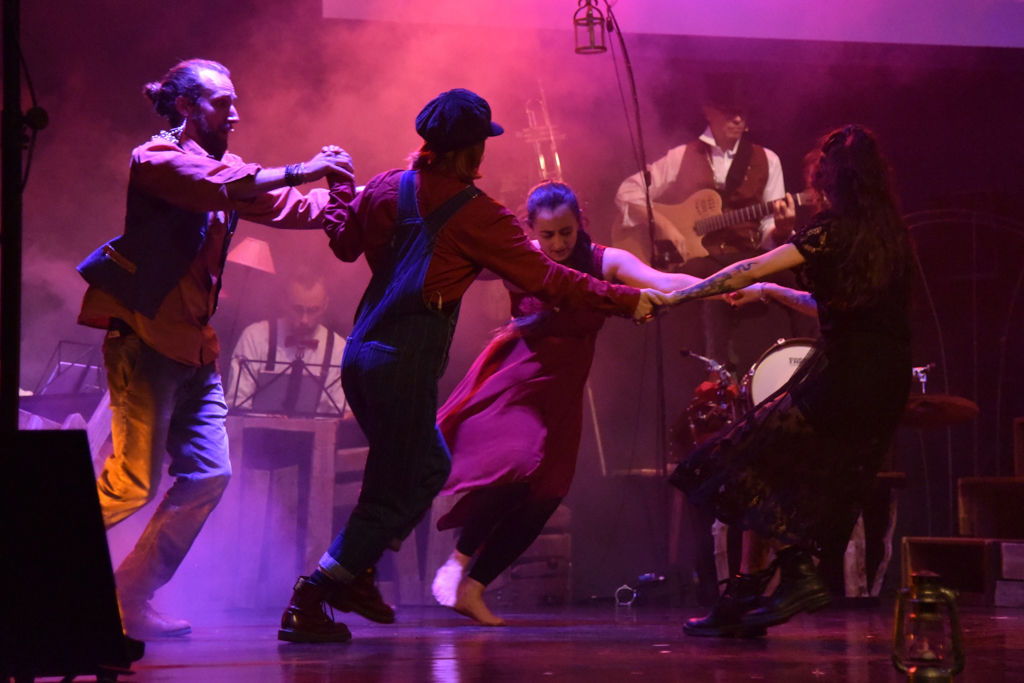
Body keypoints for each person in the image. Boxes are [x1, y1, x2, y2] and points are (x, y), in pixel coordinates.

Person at [277, 89, 669, 644]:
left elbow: (343, 244)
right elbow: (550, 279)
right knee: (398, 485)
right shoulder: (478, 214)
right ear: (472, 151)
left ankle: (354, 572)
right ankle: (316, 592)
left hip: (361, 355)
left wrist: (342, 187)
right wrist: (625, 301)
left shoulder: (391, 186)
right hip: (403, 363)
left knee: (424, 469)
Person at [76, 59, 353, 640]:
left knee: (209, 474)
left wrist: (358, 208)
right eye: (221, 102)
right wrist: (304, 168)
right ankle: (27, 561)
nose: (235, 113)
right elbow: (223, 187)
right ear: (185, 106)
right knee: (130, 482)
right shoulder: (156, 159)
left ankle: (129, 595)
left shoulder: (231, 170)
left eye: (234, 101)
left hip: (195, 351)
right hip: (146, 338)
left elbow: (282, 205)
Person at [665, 125, 913, 637]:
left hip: (846, 374)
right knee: (767, 467)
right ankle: (744, 595)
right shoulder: (889, 234)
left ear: (831, 180)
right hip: (882, 378)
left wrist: (681, 297)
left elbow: (754, 264)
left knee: (738, 461)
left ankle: (798, 574)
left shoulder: (832, 231)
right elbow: (841, 309)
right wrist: (774, 294)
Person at [428, 181, 700, 626]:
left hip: (564, 386)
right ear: (532, 230)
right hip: (517, 375)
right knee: (515, 463)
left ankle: (473, 589)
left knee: (548, 492)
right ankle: (457, 561)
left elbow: (661, 282)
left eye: (566, 233)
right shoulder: (520, 256)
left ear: (581, 224)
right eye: (548, 235)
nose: (557, 244)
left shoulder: (602, 261)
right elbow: (453, 259)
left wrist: (721, 287)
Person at [615, 71, 816, 602]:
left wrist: (782, 227)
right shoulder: (679, 159)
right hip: (702, 284)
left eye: (744, 114)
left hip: (751, 278)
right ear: (708, 110)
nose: (739, 122)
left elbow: (773, 235)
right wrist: (669, 228)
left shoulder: (767, 161)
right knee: (708, 386)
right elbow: (629, 192)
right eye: (730, 113)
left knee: (757, 384)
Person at [227, 269, 347, 415]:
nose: (304, 320)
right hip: (258, 435)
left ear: (326, 305)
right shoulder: (255, 337)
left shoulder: (338, 348)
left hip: (316, 437)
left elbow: (340, 414)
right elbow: (236, 403)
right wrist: (266, 419)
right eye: (297, 309)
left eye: (313, 310)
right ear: (283, 301)